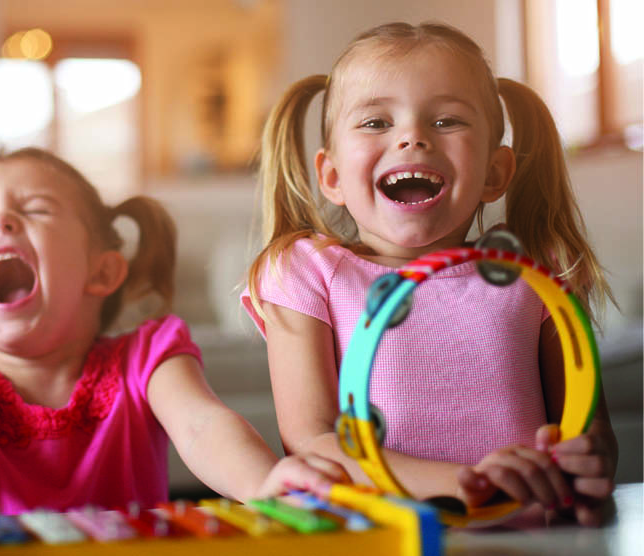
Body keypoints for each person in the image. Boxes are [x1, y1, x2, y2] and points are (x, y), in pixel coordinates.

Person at [0, 147, 347, 556]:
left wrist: (262, 483)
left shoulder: (147, 357)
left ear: (100, 273)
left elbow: (202, 425)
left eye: (35, 209)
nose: (0, 222)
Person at [241, 22, 617, 527]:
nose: (412, 137)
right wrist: (474, 483)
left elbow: (588, 434)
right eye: (376, 122)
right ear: (331, 177)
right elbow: (314, 446)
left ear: (494, 173)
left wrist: (586, 466)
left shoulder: (539, 273)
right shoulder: (306, 271)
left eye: (446, 121)